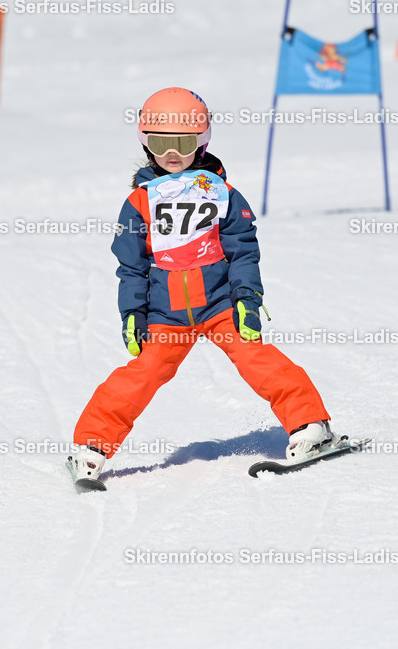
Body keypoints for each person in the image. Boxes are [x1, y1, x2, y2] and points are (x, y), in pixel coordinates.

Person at [68, 87, 334, 483]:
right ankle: (90, 445)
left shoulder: (222, 194)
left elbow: (243, 249)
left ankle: (311, 426)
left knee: (256, 358)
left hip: (219, 306)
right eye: (160, 143)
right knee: (141, 374)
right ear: (146, 142)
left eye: (183, 142)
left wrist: (246, 298)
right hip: (166, 314)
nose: (171, 153)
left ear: (202, 141)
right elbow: (131, 265)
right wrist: (132, 313)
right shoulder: (140, 202)